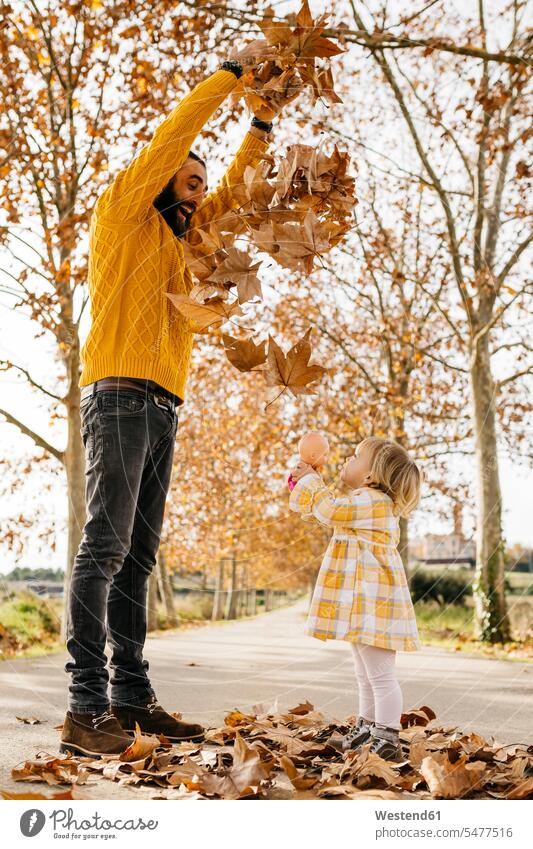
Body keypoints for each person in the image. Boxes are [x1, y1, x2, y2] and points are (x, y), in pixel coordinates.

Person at [61, 39, 292, 758]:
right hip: (121, 390)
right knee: (104, 545)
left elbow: (228, 191)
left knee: (137, 558)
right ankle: (84, 706)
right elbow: (176, 136)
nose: (201, 191)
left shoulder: (182, 238)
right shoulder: (125, 210)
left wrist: (260, 124)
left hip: (164, 401)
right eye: (189, 181)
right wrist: (229, 77)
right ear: (162, 178)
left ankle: (131, 700)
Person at [288, 436, 422, 762]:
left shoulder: (373, 501)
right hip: (365, 605)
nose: (349, 457)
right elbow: (324, 512)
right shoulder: (364, 502)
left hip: (375, 606)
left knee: (379, 674)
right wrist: (304, 484)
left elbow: (330, 510)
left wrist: (311, 482)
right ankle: (368, 728)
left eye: (358, 455)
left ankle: (387, 736)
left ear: (370, 475)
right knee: (365, 673)